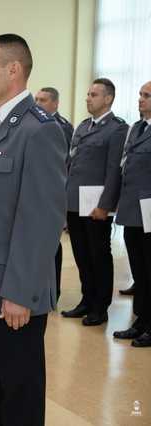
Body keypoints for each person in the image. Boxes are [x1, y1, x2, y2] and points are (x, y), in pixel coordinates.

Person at [0, 34, 67, 426]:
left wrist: (20, 292)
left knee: (19, 391)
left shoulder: (39, 130)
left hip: (13, 291)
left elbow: (41, 219)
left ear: (13, 70)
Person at [62, 78, 128, 326]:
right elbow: (71, 164)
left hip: (96, 203)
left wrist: (105, 204)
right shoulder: (82, 126)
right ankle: (86, 300)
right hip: (75, 200)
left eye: (94, 94)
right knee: (80, 254)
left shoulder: (117, 129)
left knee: (98, 255)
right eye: (88, 94)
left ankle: (100, 307)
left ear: (108, 98)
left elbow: (114, 171)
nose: (88, 98)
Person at [112, 81, 151, 348]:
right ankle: (141, 320)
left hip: (150, 211)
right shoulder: (137, 128)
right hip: (133, 210)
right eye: (140, 94)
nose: (140, 99)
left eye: (146, 96)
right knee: (139, 270)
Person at [35, 86, 74, 301]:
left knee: (52, 245)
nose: (37, 104)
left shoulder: (61, 127)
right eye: (36, 99)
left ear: (55, 104)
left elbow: (64, 165)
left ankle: (53, 290)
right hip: (38, 192)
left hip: (53, 194)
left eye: (43, 100)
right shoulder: (35, 124)